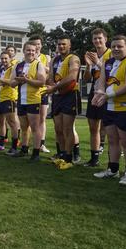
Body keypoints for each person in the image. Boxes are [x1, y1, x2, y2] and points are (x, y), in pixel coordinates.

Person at [92, 35, 126, 186]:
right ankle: (112, 170)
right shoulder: (107, 62)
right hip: (110, 106)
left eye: (119, 46)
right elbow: (101, 82)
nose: (115, 49)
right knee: (112, 140)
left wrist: (108, 95)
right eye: (113, 46)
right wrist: (100, 93)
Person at [45, 37, 81, 170]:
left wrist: (54, 87)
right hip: (57, 96)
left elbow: (72, 76)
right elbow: (50, 77)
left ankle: (68, 157)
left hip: (70, 95)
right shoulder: (54, 60)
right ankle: (61, 155)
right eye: (59, 44)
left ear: (69, 46)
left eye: (64, 44)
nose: (61, 46)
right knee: (58, 129)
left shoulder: (73, 58)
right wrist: (50, 85)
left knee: (67, 128)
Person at [10, 41, 46, 160]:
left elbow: (41, 82)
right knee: (24, 127)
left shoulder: (38, 64)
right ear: (24, 51)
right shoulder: (18, 65)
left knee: (35, 128)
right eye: (28, 50)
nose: (30, 52)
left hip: (33, 100)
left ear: (36, 52)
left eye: (33, 51)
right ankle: (24, 149)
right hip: (21, 100)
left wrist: (27, 80)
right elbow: (11, 83)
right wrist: (19, 80)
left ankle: (36, 153)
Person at [83, 28, 111, 167]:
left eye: (100, 38)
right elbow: (87, 79)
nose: (97, 41)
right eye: (95, 39)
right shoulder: (91, 56)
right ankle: (94, 159)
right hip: (94, 94)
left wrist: (98, 63)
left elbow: (114, 75)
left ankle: (113, 164)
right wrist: (88, 66)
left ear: (106, 39)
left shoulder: (112, 53)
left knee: (111, 131)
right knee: (93, 128)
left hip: (108, 96)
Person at [0, 51, 20, 153]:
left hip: (8, 98)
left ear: (10, 59)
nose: (4, 60)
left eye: (6, 58)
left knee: (12, 123)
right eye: (2, 58)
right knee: (1, 123)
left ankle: (14, 147)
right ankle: (1, 145)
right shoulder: (1, 68)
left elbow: (12, 82)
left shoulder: (13, 68)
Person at [29, 35, 51, 153]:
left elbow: (50, 72)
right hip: (31, 93)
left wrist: (40, 64)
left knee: (42, 119)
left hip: (43, 91)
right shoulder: (29, 58)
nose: (37, 46)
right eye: (34, 44)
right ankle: (29, 143)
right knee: (30, 120)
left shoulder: (45, 57)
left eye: (38, 44)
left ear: (41, 45)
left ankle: (42, 144)